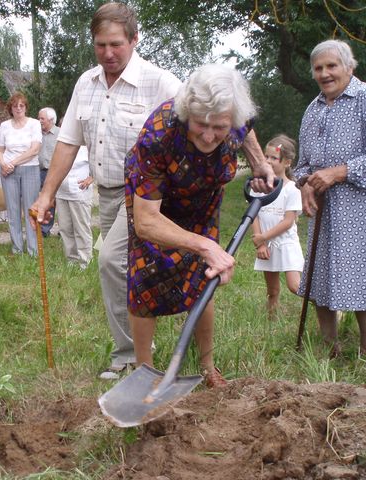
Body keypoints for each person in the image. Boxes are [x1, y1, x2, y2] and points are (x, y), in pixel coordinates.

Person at [31, 2, 182, 380]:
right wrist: (46, 194)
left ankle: (132, 355)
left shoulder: (160, 82)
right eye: (100, 45)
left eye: (116, 44)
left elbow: (202, 121)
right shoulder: (87, 83)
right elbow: (67, 142)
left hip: (148, 197)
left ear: (134, 39)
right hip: (109, 194)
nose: (108, 54)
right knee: (125, 270)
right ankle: (136, 351)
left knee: (110, 262)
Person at [125, 64, 275, 388]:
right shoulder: (159, 134)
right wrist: (206, 246)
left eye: (219, 127)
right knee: (146, 275)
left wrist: (261, 164)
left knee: (202, 280)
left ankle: (207, 366)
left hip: (203, 200)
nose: (208, 135)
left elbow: (246, 130)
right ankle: (144, 373)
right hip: (155, 205)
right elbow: (146, 222)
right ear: (187, 112)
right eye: (200, 125)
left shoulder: (237, 117)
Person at [294, 39, 366, 362]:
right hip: (324, 207)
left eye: (331, 66)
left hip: (362, 204)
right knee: (320, 274)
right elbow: (302, 163)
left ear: (348, 67)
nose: (325, 73)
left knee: (363, 274)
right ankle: (329, 348)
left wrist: (337, 172)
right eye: (318, 68)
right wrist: (305, 184)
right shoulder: (312, 110)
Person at [251, 135, 304, 319]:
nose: (268, 161)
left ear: (287, 162)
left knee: (295, 285)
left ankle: (327, 307)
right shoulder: (259, 186)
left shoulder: (292, 190)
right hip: (266, 245)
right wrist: (261, 242)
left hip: (286, 244)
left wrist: (263, 237)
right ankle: (272, 321)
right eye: (266, 157)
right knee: (272, 290)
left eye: (274, 158)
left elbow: (288, 222)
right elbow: (254, 214)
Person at [0, 92, 42, 256]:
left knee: (31, 209)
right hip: (8, 171)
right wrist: (2, 164)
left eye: (21, 105)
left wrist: (12, 163)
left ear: (26, 107)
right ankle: (17, 248)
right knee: (13, 209)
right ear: (11, 108)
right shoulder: (4, 126)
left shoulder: (34, 124)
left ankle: (33, 249)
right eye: (15, 106)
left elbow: (34, 150)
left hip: (29, 168)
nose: (18, 108)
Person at [56, 146, 94, 268]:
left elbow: (99, 163)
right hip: (61, 191)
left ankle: (85, 262)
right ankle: (71, 260)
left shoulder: (88, 143)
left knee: (81, 228)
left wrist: (91, 177)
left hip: (79, 192)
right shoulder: (62, 142)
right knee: (65, 228)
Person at [38, 107, 60, 237]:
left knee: (57, 202)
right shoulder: (36, 133)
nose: (39, 121)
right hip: (38, 171)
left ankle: (64, 230)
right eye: (39, 118)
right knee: (42, 200)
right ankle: (43, 229)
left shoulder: (60, 133)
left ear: (51, 120)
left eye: (42, 118)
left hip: (54, 172)